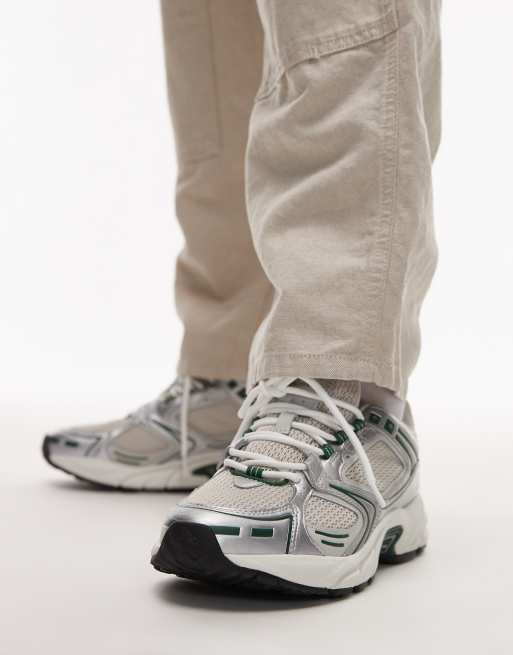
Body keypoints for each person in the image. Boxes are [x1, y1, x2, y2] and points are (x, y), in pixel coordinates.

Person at [43, 0, 441, 597]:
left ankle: (350, 402)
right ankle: (231, 386)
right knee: (214, 42)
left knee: (333, 22)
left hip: (353, 390)